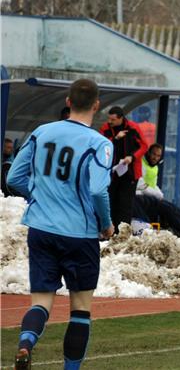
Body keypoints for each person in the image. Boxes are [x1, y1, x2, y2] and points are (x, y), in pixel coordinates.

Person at [7, 78, 114, 369]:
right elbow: (96, 190)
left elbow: (13, 177)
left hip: (41, 230)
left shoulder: (43, 132)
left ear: (67, 102)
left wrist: (39, 197)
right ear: (96, 105)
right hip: (79, 234)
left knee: (40, 302)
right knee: (80, 309)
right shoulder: (99, 143)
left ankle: (26, 344)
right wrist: (106, 223)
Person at [99, 106, 148, 233]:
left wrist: (132, 157)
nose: (110, 121)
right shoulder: (105, 129)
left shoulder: (133, 128)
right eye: (109, 118)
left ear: (121, 118)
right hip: (112, 173)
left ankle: (123, 234)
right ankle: (110, 231)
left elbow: (144, 146)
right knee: (111, 202)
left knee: (125, 205)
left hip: (130, 174)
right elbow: (101, 145)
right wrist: (115, 139)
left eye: (113, 119)